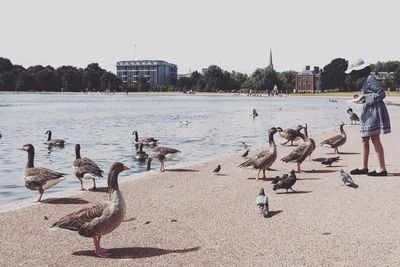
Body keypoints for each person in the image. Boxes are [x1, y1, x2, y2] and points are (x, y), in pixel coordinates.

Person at [346, 59, 391, 176]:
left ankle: (382, 169)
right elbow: (370, 95)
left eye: (354, 72)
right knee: (365, 138)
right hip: (369, 111)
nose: (353, 75)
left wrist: (364, 97)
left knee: (375, 138)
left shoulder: (371, 79)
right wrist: (361, 98)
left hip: (375, 111)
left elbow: (382, 94)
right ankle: (364, 167)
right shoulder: (366, 80)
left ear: (360, 70)